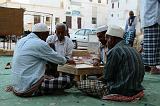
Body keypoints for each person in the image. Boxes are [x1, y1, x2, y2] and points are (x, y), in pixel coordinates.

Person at [6, 23, 74, 97]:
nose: (46, 38)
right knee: (68, 80)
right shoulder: (40, 43)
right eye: (46, 35)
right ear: (43, 34)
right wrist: (67, 60)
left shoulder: (21, 40)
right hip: (28, 88)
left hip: (17, 84)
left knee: (49, 74)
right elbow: (56, 58)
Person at [77, 25, 145, 100]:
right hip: (136, 89)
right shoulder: (133, 49)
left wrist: (96, 81)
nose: (106, 42)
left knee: (81, 84)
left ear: (111, 39)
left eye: (107, 38)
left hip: (120, 90)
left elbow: (107, 77)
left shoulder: (114, 51)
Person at [140, 0, 160, 74]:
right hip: (152, 18)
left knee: (149, 45)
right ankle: (152, 68)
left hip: (148, 18)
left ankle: (150, 67)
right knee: (153, 45)